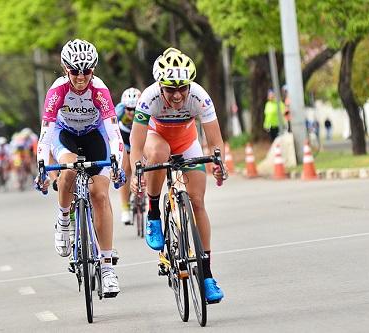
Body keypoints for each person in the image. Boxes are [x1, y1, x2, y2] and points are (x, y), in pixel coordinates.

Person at [129, 47, 226, 303]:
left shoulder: (200, 97)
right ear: (160, 86)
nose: (177, 94)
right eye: (170, 89)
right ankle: (153, 213)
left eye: (182, 87)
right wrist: (136, 170)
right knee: (159, 153)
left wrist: (218, 164)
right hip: (156, 138)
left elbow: (215, 140)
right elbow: (137, 144)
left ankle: (206, 276)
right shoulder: (149, 98)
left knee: (197, 202)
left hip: (186, 142)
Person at [35, 39, 125, 297]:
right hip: (65, 135)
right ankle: (64, 221)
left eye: (87, 71)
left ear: (93, 70)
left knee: (99, 194)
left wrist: (117, 158)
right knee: (69, 170)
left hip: (94, 134)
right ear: (65, 68)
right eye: (75, 71)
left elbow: (114, 133)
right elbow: (45, 134)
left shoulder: (99, 90)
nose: (81, 77)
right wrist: (42, 164)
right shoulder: (57, 91)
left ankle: (107, 269)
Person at [115, 87, 142, 225]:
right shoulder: (118, 112)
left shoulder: (146, 109)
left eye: (135, 109)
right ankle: (125, 208)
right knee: (126, 169)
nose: (131, 112)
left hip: (140, 137)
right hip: (124, 139)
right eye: (129, 109)